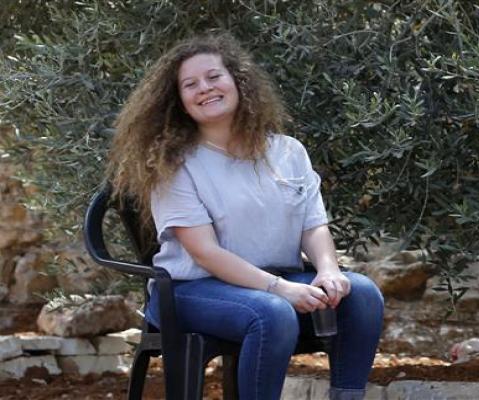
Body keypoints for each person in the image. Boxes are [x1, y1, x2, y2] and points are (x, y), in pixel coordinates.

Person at [104, 33, 384, 400]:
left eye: (214, 77)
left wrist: (328, 269)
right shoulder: (174, 163)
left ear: (238, 81)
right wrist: (280, 289)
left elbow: (313, 225)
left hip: (277, 279)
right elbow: (205, 253)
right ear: (179, 101)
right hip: (192, 290)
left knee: (362, 293)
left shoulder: (287, 151)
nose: (204, 88)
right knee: (272, 313)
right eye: (190, 85)